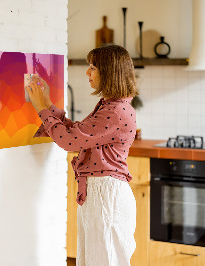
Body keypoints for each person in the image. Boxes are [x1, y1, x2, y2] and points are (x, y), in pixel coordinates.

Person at [26, 44, 138, 266]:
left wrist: (41, 108)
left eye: (93, 67)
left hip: (106, 195)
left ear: (109, 72)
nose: (87, 72)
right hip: (101, 193)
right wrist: (48, 103)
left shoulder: (115, 111)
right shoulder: (111, 106)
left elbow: (69, 141)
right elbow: (77, 133)